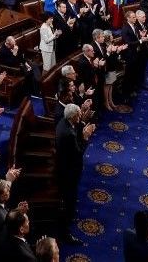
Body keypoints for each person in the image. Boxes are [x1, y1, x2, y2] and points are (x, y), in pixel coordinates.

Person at [54, 104, 94, 245]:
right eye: (78, 115)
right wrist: (86, 137)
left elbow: (74, 135)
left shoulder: (63, 122)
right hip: (68, 173)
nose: (80, 117)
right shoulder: (69, 134)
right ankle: (65, 232)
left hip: (63, 166)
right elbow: (78, 153)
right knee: (69, 200)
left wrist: (81, 128)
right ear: (72, 117)